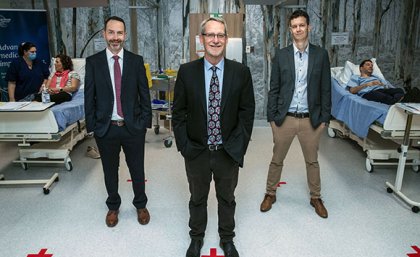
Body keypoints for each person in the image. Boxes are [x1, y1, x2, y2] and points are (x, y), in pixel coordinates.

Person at [173, 17, 255, 257]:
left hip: (227, 151)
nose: (215, 40)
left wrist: (237, 148)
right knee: (197, 198)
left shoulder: (241, 73)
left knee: (227, 198)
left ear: (226, 40)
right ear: (201, 39)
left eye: (220, 35)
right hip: (197, 151)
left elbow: (246, 113)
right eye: (210, 35)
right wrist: (185, 147)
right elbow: (177, 113)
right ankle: (196, 238)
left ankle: (227, 239)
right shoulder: (187, 72)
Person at [260, 9, 331, 219]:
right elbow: (274, 88)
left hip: (311, 120)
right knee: (276, 159)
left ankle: (316, 197)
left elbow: (326, 88)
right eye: (294, 26)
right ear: (290, 29)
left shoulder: (320, 55)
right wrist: (272, 119)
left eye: (301, 25)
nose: (298, 29)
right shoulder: (281, 55)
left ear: (309, 27)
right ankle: (270, 193)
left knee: (312, 161)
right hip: (285, 119)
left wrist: (325, 120)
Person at [84, 16, 152, 227]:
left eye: (119, 33)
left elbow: (144, 95)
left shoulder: (136, 61)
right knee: (109, 171)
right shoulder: (93, 62)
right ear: (104, 34)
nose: (115, 37)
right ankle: (113, 206)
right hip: (106, 128)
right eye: (111, 32)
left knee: (137, 169)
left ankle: (140, 204)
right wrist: (93, 127)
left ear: (125, 35)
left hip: (133, 128)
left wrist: (144, 123)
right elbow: (89, 97)